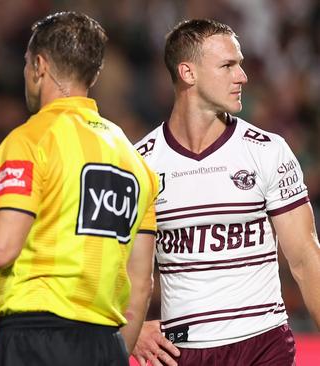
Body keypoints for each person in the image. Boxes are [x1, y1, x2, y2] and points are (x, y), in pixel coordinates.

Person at [0, 11, 159, 366]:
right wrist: (115, 353)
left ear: (40, 66)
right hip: (106, 344)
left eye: (27, 63)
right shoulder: (134, 160)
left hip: (35, 340)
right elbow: (141, 282)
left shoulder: (31, 139)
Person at [132, 19, 320, 366]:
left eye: (241, 64)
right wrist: (128, 327)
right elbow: (122, 267)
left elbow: (306, 259)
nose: (243, 76)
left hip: (264, 345)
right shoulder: (139, 162)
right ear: (187, 73)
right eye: (228, 65)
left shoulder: (268, 151)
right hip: (182, 351)